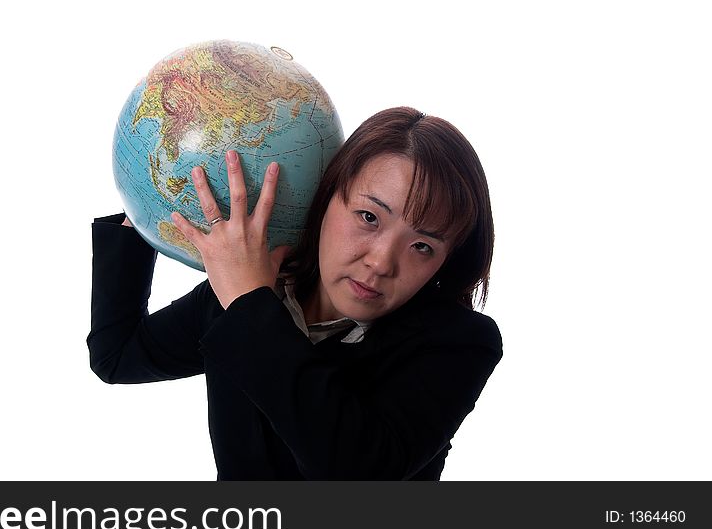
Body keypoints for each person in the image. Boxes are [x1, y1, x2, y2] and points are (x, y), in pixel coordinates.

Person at [87, 106, 502, 480]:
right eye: (369, 217)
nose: (381, 262)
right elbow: (116, 355)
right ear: (325, 198)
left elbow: (356, 472)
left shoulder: (458, 343)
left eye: (422, 246)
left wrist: (249, 303)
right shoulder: (252, 290)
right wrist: (148, 206)